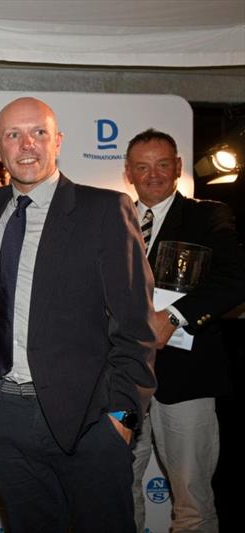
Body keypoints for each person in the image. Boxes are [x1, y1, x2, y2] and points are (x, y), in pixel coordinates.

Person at [0, 97, 157, 532]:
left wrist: (122, 422)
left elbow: (136, 327)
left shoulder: (104, 210)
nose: (27, 144)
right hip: (6, 413)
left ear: (58, 141)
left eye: (39, 133)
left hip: (90, 419)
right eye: (13, 135)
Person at [126, 129, 245, 533]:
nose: (152, 175)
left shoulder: (207, 215)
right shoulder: (112, 220)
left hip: (186, 382)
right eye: (142, 167)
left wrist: (174, 316)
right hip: (121, 385)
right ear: (129, 172)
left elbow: (234, 278)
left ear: (178, 167)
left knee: (192, 500)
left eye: (162, 165)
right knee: (115, 488)